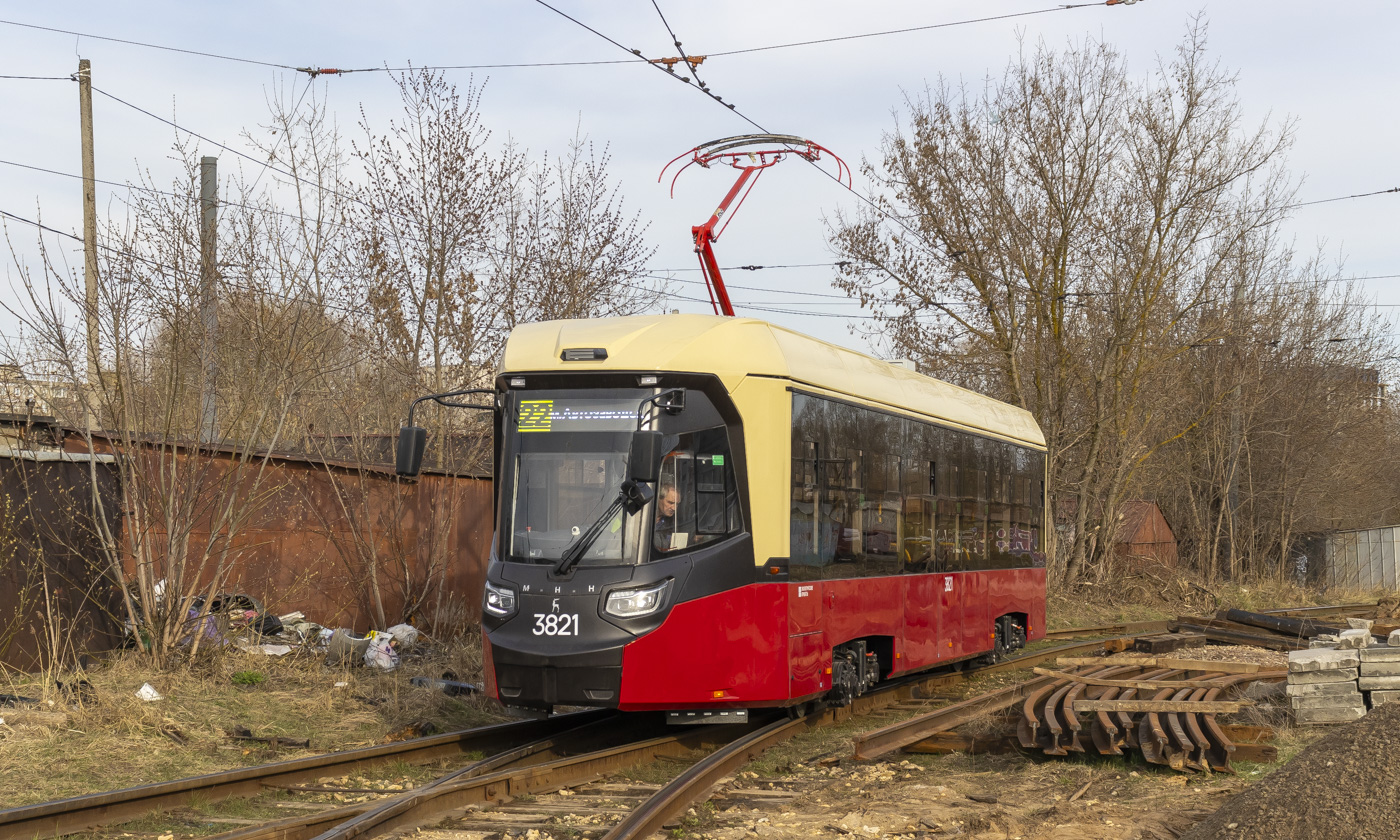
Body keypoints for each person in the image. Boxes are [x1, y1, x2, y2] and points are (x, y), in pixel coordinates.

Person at [654, 482, 680, 552]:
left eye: (676, 504)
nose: (674, 508)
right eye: (670, 503)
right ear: (659, 499)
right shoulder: (643, 516)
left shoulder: (672, 523)